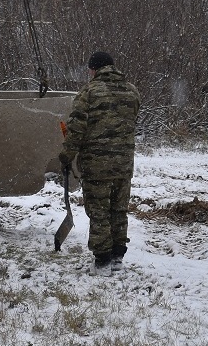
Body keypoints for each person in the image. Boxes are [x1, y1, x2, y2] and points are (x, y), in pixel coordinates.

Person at [60, 51, 140, 276]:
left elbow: (75, 130)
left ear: (94, 69)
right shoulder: (131, 91)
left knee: (99, 212)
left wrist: (66, 156)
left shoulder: (88, 92)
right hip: (124, 166)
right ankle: (117, 257)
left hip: (97, 165)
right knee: (118, 210)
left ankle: (102, 261)